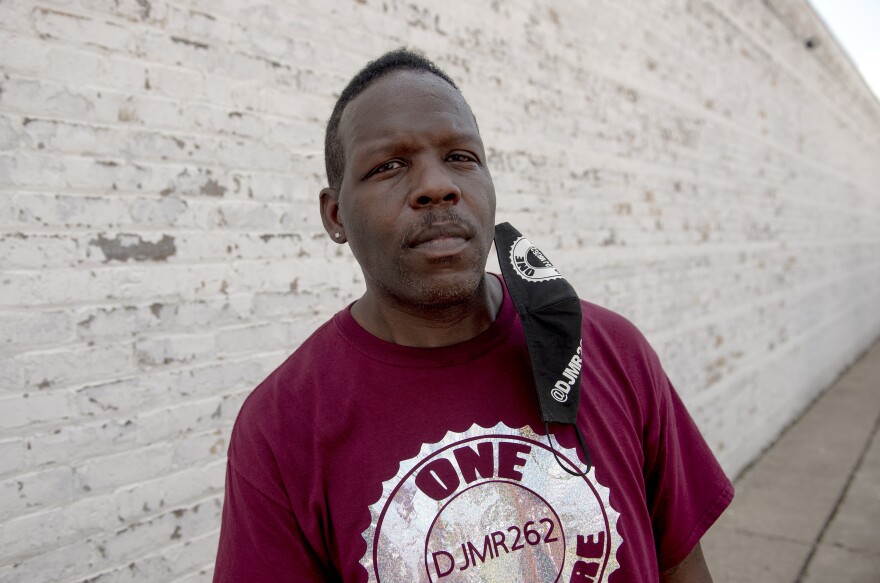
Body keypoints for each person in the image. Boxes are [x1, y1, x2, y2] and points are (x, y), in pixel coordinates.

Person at [213, 48, 733, 582]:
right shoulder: (282, 426)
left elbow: (680, 565)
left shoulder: (609, 350)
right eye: (388, 165)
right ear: (334, 214)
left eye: (461, 157)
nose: (437, 186)